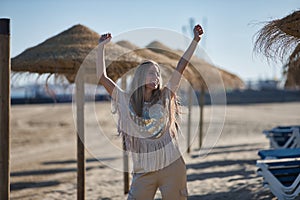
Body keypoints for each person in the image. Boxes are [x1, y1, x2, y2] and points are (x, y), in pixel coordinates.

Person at [97, 24, 203, 200]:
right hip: (144, 170)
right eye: (150, 74)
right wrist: (101, 47)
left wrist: (195, 41)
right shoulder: (126, 101)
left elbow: (181, 66)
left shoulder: (165, 96)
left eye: (157, 74)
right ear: (140, 77)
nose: (155, 78)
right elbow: (102, 77)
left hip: (172, 166)